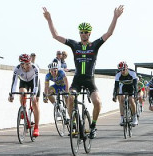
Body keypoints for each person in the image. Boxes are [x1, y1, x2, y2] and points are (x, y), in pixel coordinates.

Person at [43, 5, 124, 139]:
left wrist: (115, 17)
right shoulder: (75, 45)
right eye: (81, 32)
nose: (83, 34)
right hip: (77, 80)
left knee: (97, 102)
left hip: (89, 80)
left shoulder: (95, 45)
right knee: (69, 98)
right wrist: (49, 19)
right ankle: (74, 123)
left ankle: (93, 125)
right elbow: (55, 36)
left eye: (86, 32)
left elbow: (109, 33)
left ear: (89, 33)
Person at [8, 54, 40, 137]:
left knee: (34, 103)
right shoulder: (17, 69)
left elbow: (36, 84)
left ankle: (36, 127)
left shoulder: (35, 68)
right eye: (27, 64)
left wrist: (34, 94)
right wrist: (12, 95)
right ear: (22, 64)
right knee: (22, 92)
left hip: (33, 82)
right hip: (24, 81)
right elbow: (14, 82)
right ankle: (23, 108)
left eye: (29, 63)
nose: (29, 65)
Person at [112, 61, 138, 126]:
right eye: (120, 70)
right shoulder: (118, 74)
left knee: (131, 100)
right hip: (123, 86)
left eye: (123, 69)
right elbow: (116, 86)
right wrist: (114, 95)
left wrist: (135, 93)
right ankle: (122, 117)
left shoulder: (132, 72)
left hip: (131, 86)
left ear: (127, 68)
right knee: (121, 100)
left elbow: (135, 85)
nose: (122, 71)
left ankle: (135, 117)